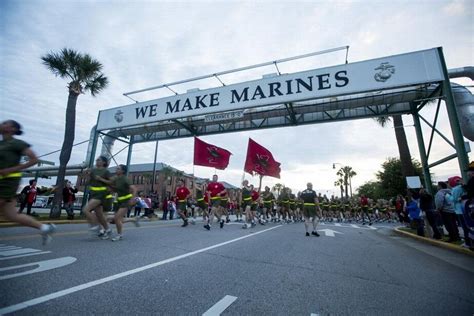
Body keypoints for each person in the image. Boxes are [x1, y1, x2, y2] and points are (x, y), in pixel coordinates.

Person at [0, 120, 56, 244]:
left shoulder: (17, 143)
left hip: (8, 182)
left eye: (5, 123)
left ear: (13, 129)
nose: (1, 124)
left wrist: (11, 169)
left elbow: (34, 159)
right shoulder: (2, 143)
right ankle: (45, 228)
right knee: (12, 216)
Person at [82, 155, 113, 239]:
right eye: (96, 160)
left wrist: (101, 179)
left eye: (99, 160)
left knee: (85, 210)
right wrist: (87, 175)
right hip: (93, 194)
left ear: (104, 162)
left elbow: (111, 182)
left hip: (101, 194)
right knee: (99, 215)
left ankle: (95, 225)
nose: (97, 161)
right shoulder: (93, 170)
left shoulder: (106, 171)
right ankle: (107, 229)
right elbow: (88, 182)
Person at [107, 164, 138, 241]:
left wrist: (132, 199)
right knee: (117, 220)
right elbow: (116, 190)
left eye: (118, 169)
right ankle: (133, 219)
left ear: (122, 171)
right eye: (116, 168)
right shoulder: (116, 179)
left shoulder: (125, 179)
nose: (116, 170)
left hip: (126, 201)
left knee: (117, 218)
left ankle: (119, 235)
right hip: (118, 201)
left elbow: (134, 189)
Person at [449, 176, 471, 248]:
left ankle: (467, 242)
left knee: (464, 227)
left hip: (459, 209)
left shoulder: (455, 189)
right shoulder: (464, 187)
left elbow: (453, 199)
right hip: (467, 208)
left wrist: (448, 196)